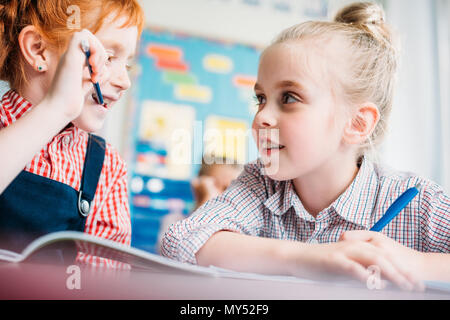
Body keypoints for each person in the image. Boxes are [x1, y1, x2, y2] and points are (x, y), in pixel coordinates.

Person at [161, 2, 450, 290]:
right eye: (260, 98)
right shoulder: (260, 184)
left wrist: (416, 264)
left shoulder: (419, 202)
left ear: (357, 124)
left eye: (289, 98)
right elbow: (182, 241)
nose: (261, 117)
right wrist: (309, 259)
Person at [0, 0, 144, 265]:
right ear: (38, 49)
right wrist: (57, 109)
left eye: (128, 65)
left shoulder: (107, 168)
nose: (125, 81)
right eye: (108, 58)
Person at [157, 157, 242, 253]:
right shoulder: (173, 222)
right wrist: (206, 204)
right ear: (199, 188)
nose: (227, 196)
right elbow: (175, 255)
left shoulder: (239, 231)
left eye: (233, 190)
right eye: (222, 187)